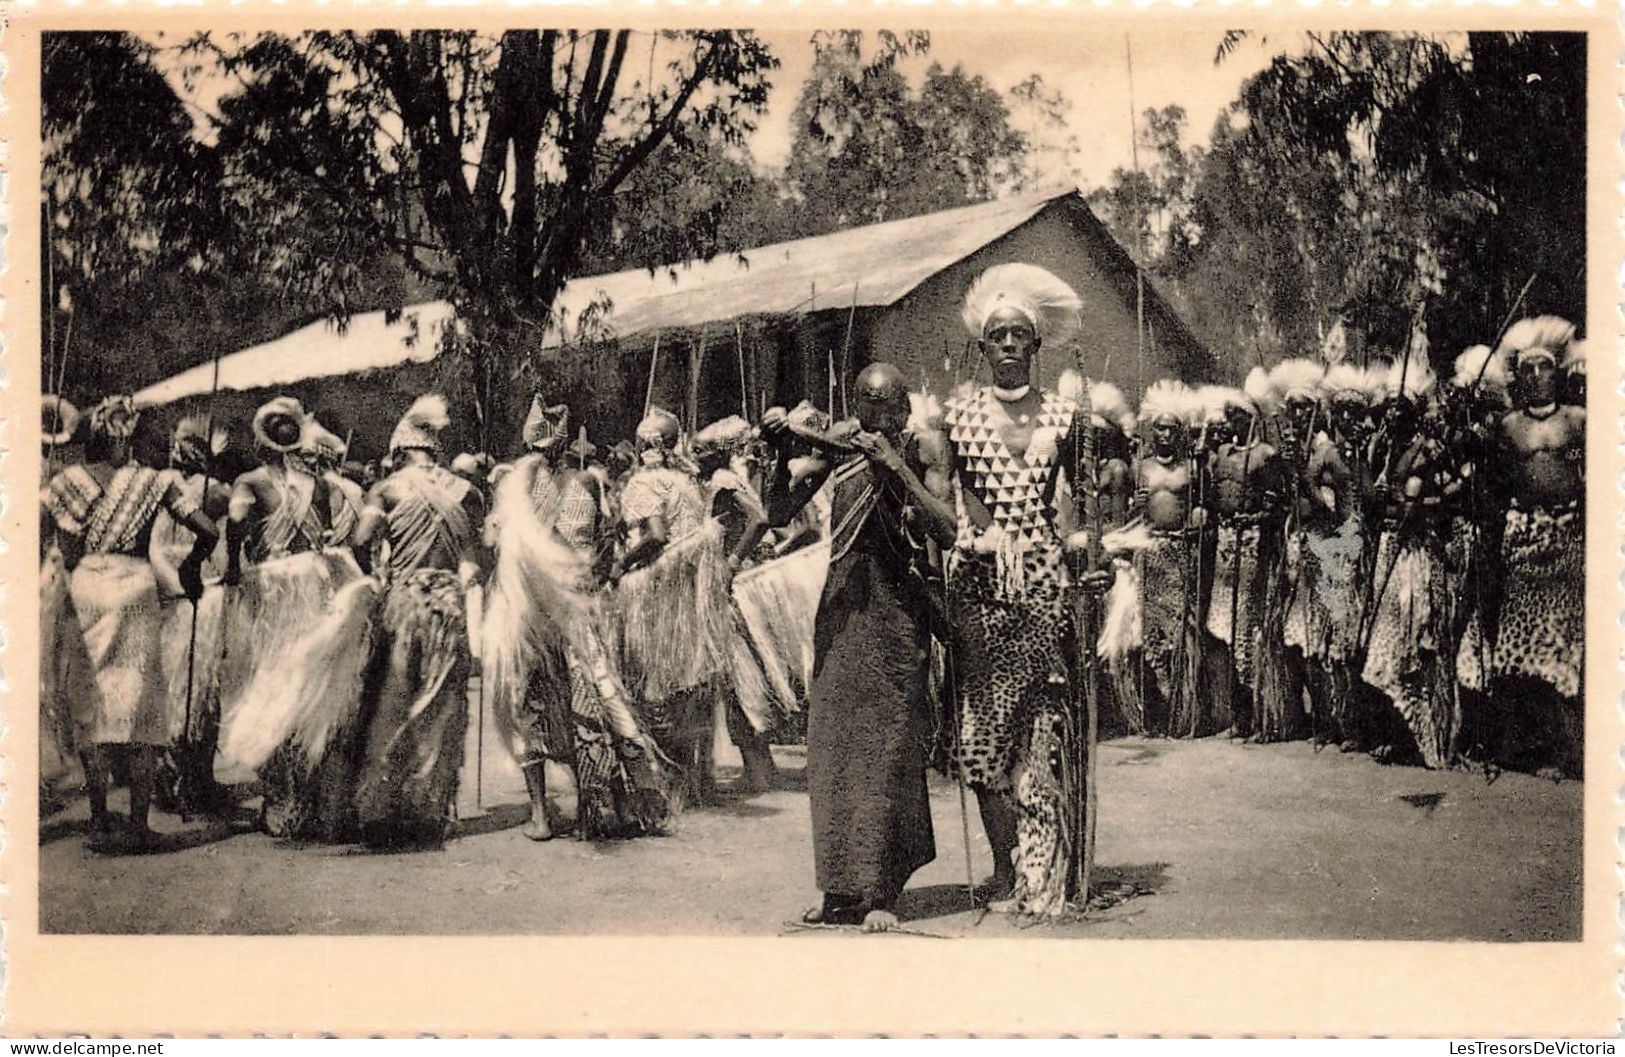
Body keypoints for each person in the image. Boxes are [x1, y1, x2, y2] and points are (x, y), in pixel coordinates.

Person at [932, 263, 1111, 918]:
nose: (1007, 344)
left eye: (1019, 336)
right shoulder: (956, 413)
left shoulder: (1065, 416)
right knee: (982, 740)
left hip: (1041, 588)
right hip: (978, 592)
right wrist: (950, 553)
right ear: (982, 346)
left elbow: (1088, 507)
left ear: (1036, 347)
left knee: (1041, 729)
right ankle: (1006, 866)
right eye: (997, 335)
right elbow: (937, 502)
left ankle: (1045, 863)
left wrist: (1092, 561)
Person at [765, 363, 956, 931]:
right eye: (864, 408)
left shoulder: (922, 450)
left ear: (904, 411)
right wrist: (781, 453)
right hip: (842, 615)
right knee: (832, 749)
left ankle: (882, 891)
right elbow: (777, 514)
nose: (873, 420)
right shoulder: (838, 452)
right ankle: (838, 887)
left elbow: (945, 528)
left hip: (896, 616)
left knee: (889, 749)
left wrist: (893, 466)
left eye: (885, 409)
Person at [484, 397, 668, 840]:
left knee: (528, 703)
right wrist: (595, 576)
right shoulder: (590, 481)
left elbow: (496, 542)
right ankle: (619, 803)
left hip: (533, 613)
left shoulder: (519, 487)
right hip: (581, 607)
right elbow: (610, 541)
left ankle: (541, 816)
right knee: (599, 696)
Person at [41, 395, 219, 852]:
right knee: (140, 704)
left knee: (91, 703)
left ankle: (100, 819)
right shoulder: (153, 481)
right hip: (136, 589)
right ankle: (139, 824)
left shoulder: (68, 482)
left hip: (87, 591)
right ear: (128, 439)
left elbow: (51, 541)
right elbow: (209, 531)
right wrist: (191, 570)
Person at [215, 395, 365, 839]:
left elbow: (237, 518)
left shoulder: (252, 481)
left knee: (272, 686)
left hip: (273, 590)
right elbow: (332, 532)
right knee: (310, 688)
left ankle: (282, 796)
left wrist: (234, 556)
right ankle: (310, 796)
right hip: (312, 584)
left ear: (262, 442)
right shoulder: (317, 485)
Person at [343, 395, 485, 847]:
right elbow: (477, 561)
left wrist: (372, 579)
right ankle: (430, 809)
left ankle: (382, 810)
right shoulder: (468, 492)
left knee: (391, 703)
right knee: (441, 708)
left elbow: (360, 541)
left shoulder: (386, 490)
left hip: (403, 601)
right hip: (449, 603)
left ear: (401, 449)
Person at [1459, 317, 1585, 777]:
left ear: (1558, 373)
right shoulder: (1507, 428)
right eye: (1527, 370)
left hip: (1567, 543)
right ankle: (1525, 749)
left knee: (1561, 647)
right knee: (1518, 650)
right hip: (1521, 544)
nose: (1535, 377)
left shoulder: (1579, 423)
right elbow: (1491, 485)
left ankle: (1564, 752)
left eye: (1544, 368)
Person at [614, 407, 737, 806]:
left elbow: (654, 536)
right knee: (687, 685)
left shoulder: (644, 483)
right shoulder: (685, 481)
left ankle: (669, 784)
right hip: (687, 593)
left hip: (657, 592)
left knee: (655, 685)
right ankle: (695, 783)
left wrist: (620, 565)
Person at [1360, 352, 1456, 767]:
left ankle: (1426, 739)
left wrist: (1416, 505)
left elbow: (1449, 494)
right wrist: (1380, 501)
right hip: (1388, 549)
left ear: (1414, 414)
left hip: (1414, 554)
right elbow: (1371, 503)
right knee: (1386, 641)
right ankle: (1399, 736)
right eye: (1388, 409)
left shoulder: (1428, 451)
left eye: (1401, 410)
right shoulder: (1383, 449)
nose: (1392, 416)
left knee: (1413, 638)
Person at [693, 413, 783, 791]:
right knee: (740, 679)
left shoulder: (723, 480)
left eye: (702, 451)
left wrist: (730, 564)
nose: (695, 457)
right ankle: (760, 768)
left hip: (733, 589)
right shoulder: (728, 477)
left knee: (738, 679)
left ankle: (758, 770)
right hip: (736, 584)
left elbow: (760, 520)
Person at [151, 414, 232, 815]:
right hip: (191, 589)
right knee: (196, 690)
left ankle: (181, 778)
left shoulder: (164, 486)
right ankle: (189, 778)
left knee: (184, 687)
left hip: (178, 589)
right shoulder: (211, 490)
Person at [1203, 376, 1288, 741]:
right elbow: (1208, 495)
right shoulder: (1220, 455)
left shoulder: (1265, 455)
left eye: (1238, 415)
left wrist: (1255, 521)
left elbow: (1274, 507)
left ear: (1252, 417)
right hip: (1225, 541)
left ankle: (1256, 715)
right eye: (1229, 414)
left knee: (1247, 630)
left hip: (1251, 543)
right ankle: (1235, 714)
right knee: (1222, 626)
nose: (1232, 420)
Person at [1123, 380, 1206, 737]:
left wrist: (1195, 521)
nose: (1166, 434)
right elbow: (1129, 511)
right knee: (1150, 634)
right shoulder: (1139, 467)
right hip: (1150, 553)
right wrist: (1135, 506)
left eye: (1173, 427)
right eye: (1160, 427)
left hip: (1178, 554)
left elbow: (1202, 506)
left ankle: (1181, 713)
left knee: (1178, 634)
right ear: (1151, 429)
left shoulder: (1191, 468)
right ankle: (1155, 713)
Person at [40, 394, 93, 809]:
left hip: (57, 572)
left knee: (62, 662)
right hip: (47, 572)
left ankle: (69, 747)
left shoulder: (62, 476)